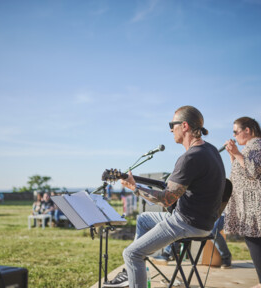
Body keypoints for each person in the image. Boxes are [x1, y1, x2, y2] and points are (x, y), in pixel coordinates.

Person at [103, 105, 226, 288]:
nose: (170, 129)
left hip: (186, 223)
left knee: (131, 254)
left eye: (172, 124)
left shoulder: (189, 158)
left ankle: (135, 268)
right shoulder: (211, 150)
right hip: (205, 224)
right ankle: (135, 271)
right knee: (143, 219)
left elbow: (167, 199)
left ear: (184, 126)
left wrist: (135, 188)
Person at [224, 117, 261, 288]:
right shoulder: (247, 149)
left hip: (255, 207)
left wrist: (237, 153)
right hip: (247, 207)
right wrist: (233, 156)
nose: (234, 135)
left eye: (235, 131)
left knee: (256, 243)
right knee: (253, 242)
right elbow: (239, 175)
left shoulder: (258, 146)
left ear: (248, 130)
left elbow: (253, 172)